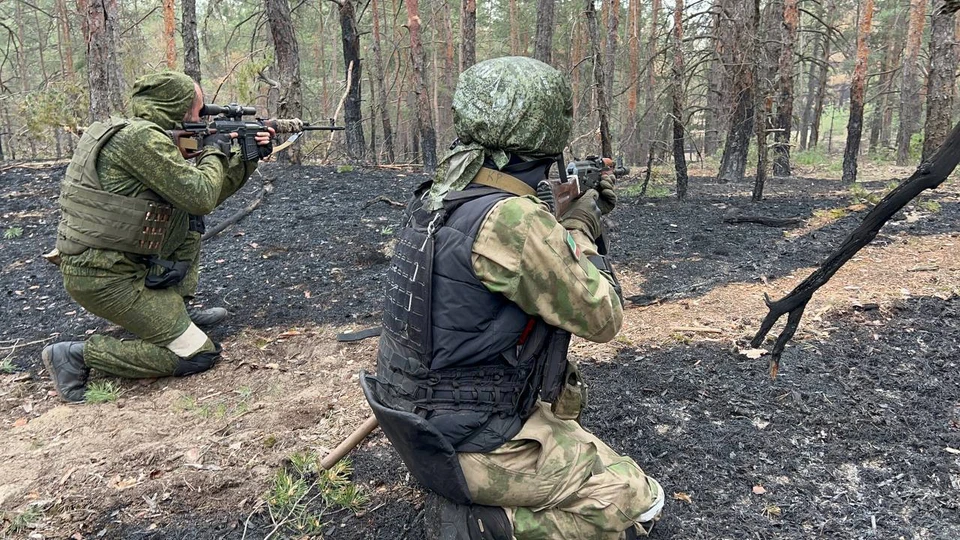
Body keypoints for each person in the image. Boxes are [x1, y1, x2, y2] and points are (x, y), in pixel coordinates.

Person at [360, 56, 663, 539]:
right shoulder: (512, 221)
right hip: (470, 441)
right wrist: (580, 225)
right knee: (637, 505)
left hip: (417, 422)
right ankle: (486, 525)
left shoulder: (439, 196)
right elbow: (604, 316)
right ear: (547, 132)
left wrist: (558, 221)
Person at [42, 71, 273, 402]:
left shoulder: (140, 134)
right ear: (176, 107)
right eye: (197, 108)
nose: (200, 116)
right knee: (198, 355)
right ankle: (76, 355)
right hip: (104, 277)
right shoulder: (140, 140)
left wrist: (246, 159)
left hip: (117, 265)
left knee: (187, 216)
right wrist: (214, 151)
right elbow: (201, 194)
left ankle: (174, 306)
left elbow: (203, 195)